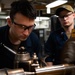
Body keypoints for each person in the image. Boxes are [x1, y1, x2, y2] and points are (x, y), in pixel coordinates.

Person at [0, 0, 42, 69]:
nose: (26, 33)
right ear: (10, 22)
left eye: (30, 27)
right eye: (22, 27)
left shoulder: (34, 39)